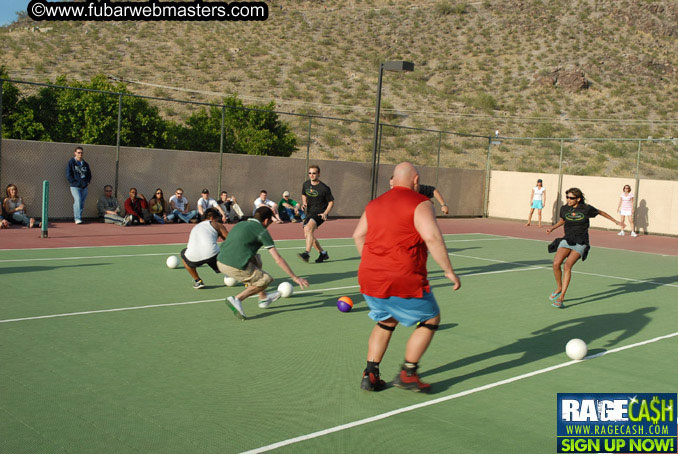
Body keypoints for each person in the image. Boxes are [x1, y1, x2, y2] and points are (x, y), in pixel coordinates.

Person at [354, 162, 461, 393]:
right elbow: (432, 237)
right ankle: (408, 373)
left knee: (386, 319)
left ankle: (370, 374)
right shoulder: (420, 203)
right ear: (416, 180)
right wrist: (448, 270)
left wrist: (375, 262)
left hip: (369, 277)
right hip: (402, 277)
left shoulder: (373, 204)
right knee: (431, 319)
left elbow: (358, 236)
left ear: (393, 180)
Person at [217, 206, 309, 320]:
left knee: (257, 259)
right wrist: (295, 277)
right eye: (270, 221)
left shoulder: (240, 224)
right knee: (265, 280)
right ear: (266, 220)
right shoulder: (261, 231)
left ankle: (263, 298)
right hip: (233, 266)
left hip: (220, 261)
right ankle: (237, 299)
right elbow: (278, 259)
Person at [546, 187, 624, 308]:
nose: (568, 199)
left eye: (571, 198)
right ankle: (559, 288)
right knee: (556, 264)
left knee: (567, 265)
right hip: (567, 239)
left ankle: (561, 298)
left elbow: (601, 212)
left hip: (581, 241)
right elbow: (563, 220)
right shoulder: (565, 208)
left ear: (578, 199)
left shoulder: (586, 209)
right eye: (567, 197)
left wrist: (616, 222)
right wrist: (552, 228)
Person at [299, 165, 334, 263]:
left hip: (320, 213)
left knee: (308, 229)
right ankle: (323, 254)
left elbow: (331, 202)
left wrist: (326, 213)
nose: (311, 175)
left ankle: (306, 253)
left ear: (318, 174)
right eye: (310, 173)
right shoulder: (306, 184)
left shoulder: (324, 188)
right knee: (308, 235)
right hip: (310, 212)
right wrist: (304, 203)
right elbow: (303, 194)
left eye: (314, 173)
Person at [66, 146, 92, 224]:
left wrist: (87, 182)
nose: (80, 154)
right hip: (75, 186)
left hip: (84, 186)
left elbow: (89, 174)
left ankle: (79, 216)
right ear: (75, 153)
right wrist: (74, 182)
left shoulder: (85, 164)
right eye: (78, 152)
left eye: (81, 153)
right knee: (78, 200)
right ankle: (77, 218)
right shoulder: (71, 162)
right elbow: (68, 174)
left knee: (82, 202)